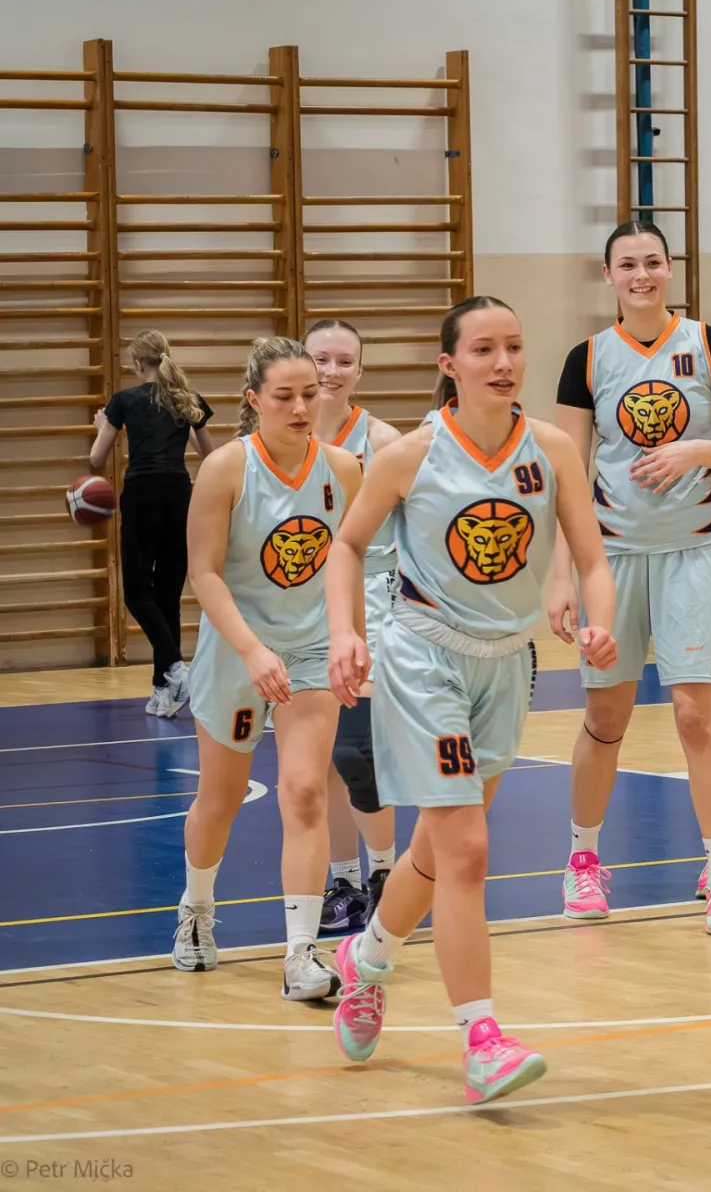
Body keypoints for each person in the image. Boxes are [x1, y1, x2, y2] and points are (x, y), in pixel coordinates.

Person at [325, 296, 618, 1105]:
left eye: (514, 346)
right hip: (424, 657)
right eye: (484, 349)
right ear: (449, 364)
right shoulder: (411, 454)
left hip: (506, 663)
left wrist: (600, 621)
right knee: (468, 851)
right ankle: (482, 1039)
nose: (504, 362)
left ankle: (366, 958)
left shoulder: (552, 449)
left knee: (436, 851)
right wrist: (347, 633)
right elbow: (347, 545)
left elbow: (593, 558)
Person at [546, 221, 711, 935]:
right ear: (608, 275)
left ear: (671, 268)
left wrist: (694, 450)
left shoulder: (710, 344)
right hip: (610, 560)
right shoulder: (586, 359)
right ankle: (583, 862)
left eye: (652, 262)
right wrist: (560, 577)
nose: (641, 274)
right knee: (605, 719)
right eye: (628, 264)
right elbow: (567, 478)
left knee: (697, 717)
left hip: (698, 551)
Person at [172, 337, 363, 1004]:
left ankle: (301, 954)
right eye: (285, 396)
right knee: (220, 800)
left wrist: (352, 636)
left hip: (310, 649)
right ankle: (197, 908)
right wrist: (254, 651)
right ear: (254, 400)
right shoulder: (226, 468)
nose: (301, 407)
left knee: (305, 791)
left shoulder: (343, 469)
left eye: (310, 394)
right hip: (237, 649)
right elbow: (204, 574)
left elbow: (349, 561)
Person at [306, 319, 401, 937]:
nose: (331, 371)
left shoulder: (383, 440)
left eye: (344, 361)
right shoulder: (276, 440)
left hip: (372, 600)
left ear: (360, 372)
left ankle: (386, 874)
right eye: (321, 359)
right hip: (302, 607)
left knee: (357, 751)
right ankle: (342, 881)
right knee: (320, 758)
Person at [90, 330, 215, 716]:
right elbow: (210, 456)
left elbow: (96, 458)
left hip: (142, 494)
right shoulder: (187, 399)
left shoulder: (124, 400)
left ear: (137, 363)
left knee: (136, 592)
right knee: (167, 597)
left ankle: (175, 668)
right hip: (179, 494)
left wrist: (102, 427)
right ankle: (165, 689)